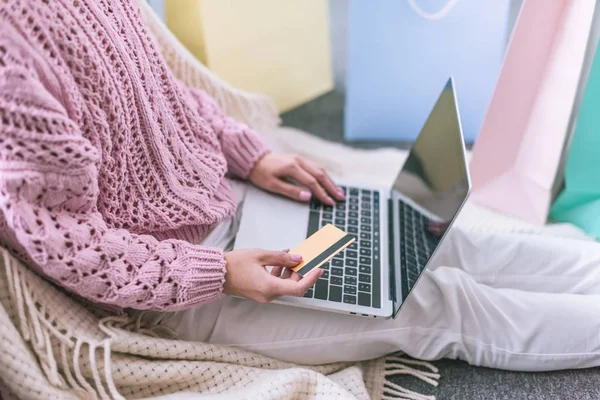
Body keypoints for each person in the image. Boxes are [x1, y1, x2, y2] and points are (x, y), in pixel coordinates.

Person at [1, 0, 599, 373]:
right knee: (440, 304)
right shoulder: (11, 53)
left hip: (235, 199)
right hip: (189, 278)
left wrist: (249, 154)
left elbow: (156, 91)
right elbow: (66, 240)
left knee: (436, 239)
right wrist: (222, 273)